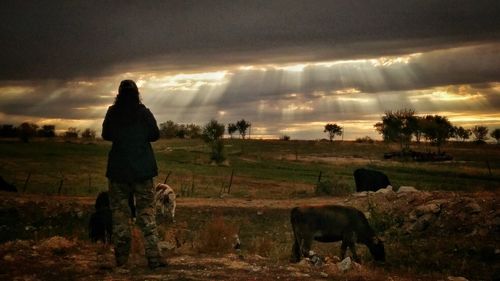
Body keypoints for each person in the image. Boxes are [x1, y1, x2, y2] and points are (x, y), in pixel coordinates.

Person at [102, 79, 166, 270]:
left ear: (119, 94)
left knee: (120, 216)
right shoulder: (143, 113)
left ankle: (121, 261)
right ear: (137, 94)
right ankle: (154, 259)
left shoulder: (113, 112)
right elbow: (155, 134)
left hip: (118, 171)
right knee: (147, 214)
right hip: (143, 171)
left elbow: (106, 135)